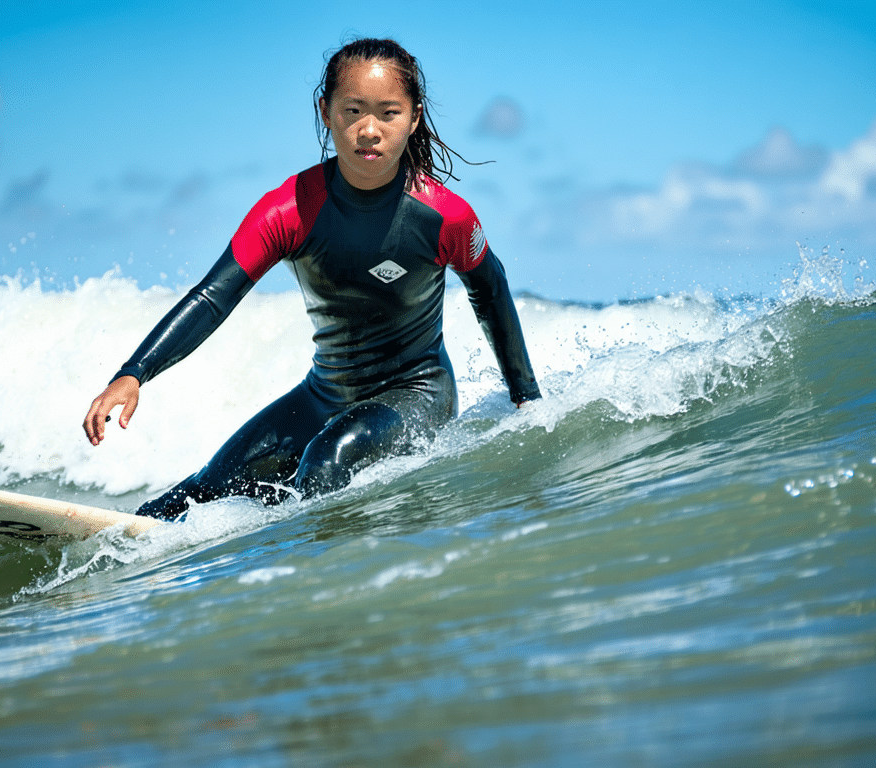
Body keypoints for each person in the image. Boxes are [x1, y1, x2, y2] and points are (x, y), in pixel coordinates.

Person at [82, 38, 541, 520]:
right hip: (325, 394)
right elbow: (214, 297)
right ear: (325, 112)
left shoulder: (443, 216)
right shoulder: (289, 210)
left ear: (414, 117)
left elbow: (491, 291)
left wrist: (527, 404)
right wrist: (134, 373)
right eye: (352, 110)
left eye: (388, 113)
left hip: (415, 394)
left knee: (326, 461)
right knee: (203, 490)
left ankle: (313, 585)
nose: (369, 130)